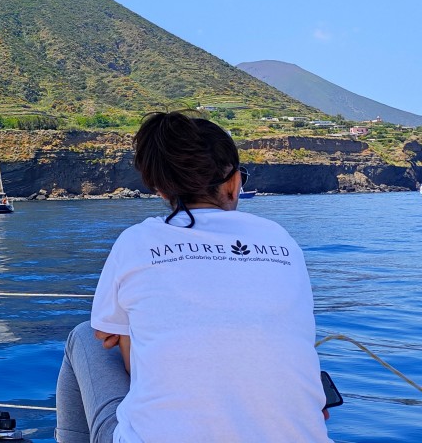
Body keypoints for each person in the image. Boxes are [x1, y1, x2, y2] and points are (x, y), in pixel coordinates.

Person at [55, 111, 331, 442]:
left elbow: (117, 349)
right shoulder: (281, 239)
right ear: (234, 183)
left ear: (160, 190)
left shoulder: (137, 242)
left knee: (84, 336)